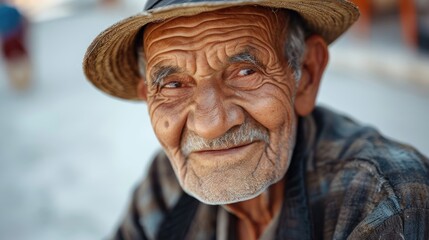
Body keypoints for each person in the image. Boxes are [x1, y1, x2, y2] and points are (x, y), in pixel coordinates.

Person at [83, 0, 429, 239]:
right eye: (173, 84)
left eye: (245, 71)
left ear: (306, 75)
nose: (210, 124)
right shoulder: (165, 182)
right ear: (149, 98)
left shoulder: (385, 201)